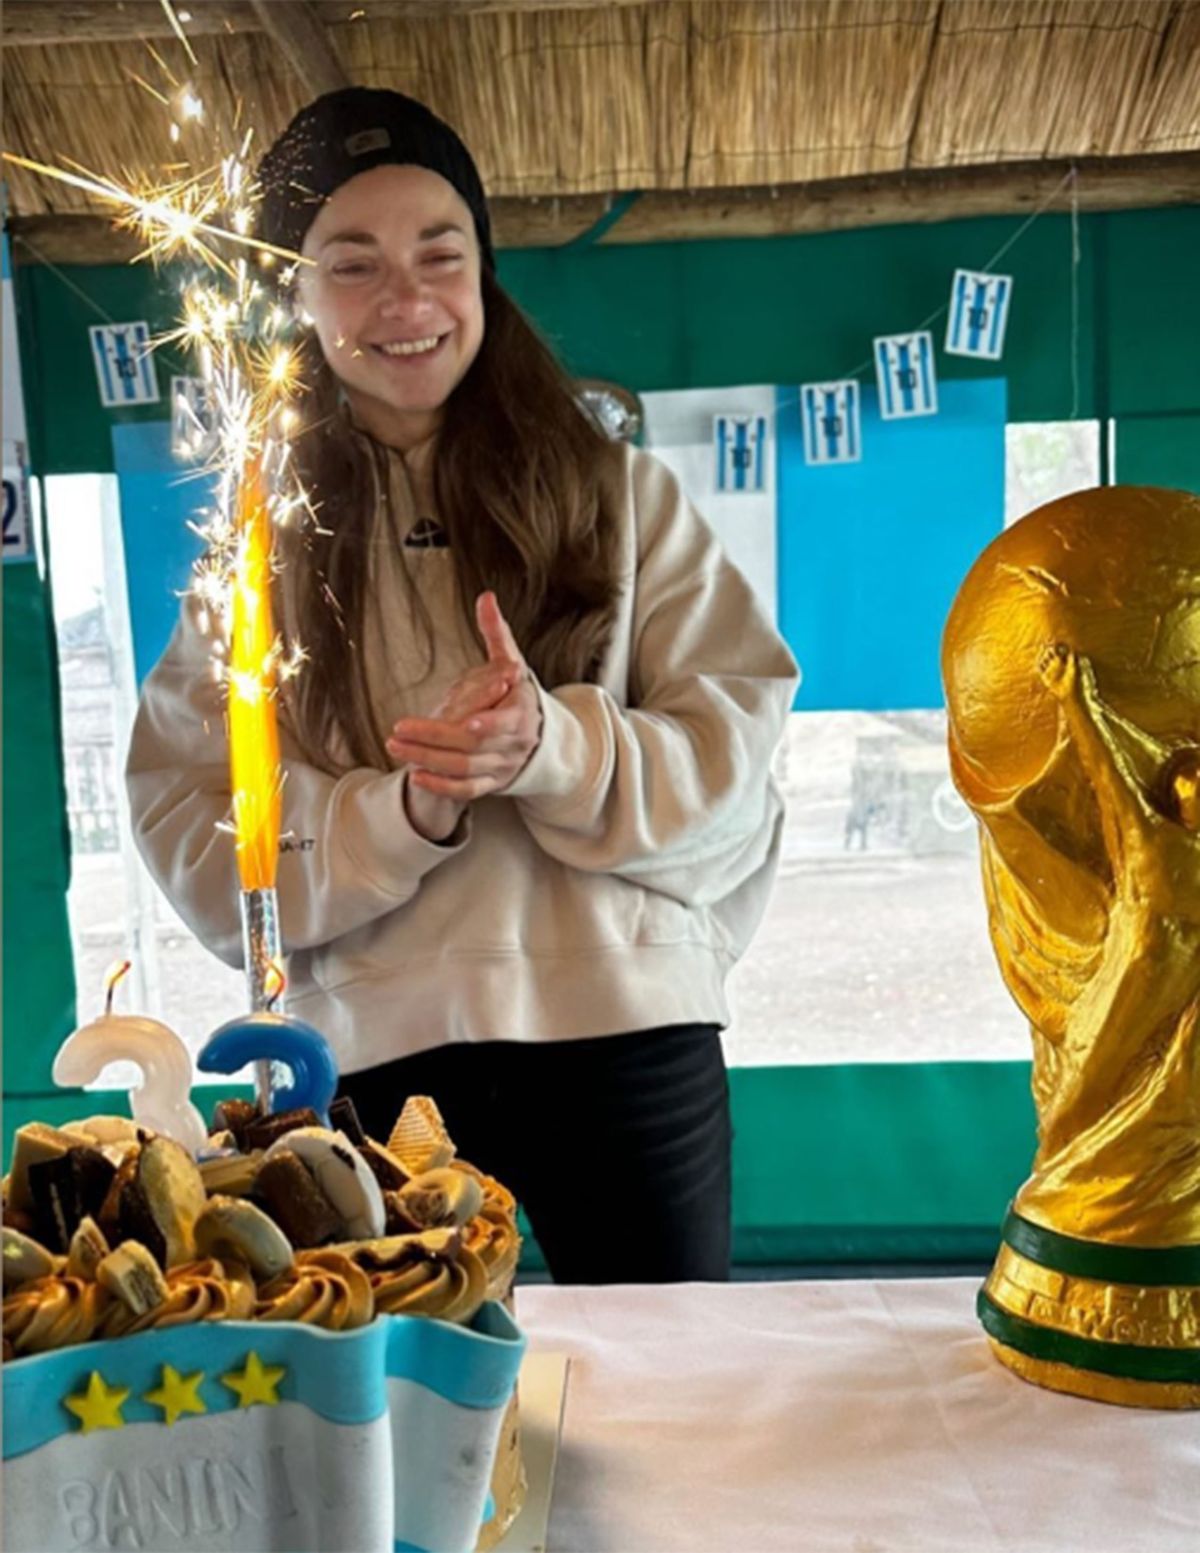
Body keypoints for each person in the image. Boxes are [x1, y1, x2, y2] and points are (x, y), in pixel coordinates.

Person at [127, 88, 799, 1284]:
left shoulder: (621, 498)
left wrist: (557, 750)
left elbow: (738, 763)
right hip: (370, 1062)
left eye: (442, 254)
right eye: (352, 262)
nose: (407, 300)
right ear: (295, 291)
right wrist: (404, 810)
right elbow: (191, 815)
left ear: (485, 271)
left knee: (675, 1406)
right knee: (387, 1419)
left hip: (626, 1031)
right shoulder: (255, 543)